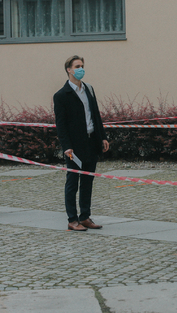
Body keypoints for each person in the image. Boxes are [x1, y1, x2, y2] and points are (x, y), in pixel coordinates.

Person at [53, 55, 109, 231]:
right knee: (73, 181)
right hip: (74, 146)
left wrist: (103, 137)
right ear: (68, 69)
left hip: (91, 141)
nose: (81, 69)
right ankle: (72, 219)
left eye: (82, 65)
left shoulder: (89, 89)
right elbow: (61, 125)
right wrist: (67, 146)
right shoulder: (61, 95)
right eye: (77, 66)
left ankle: (85, 216)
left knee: (88, 181)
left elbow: (96, 115)